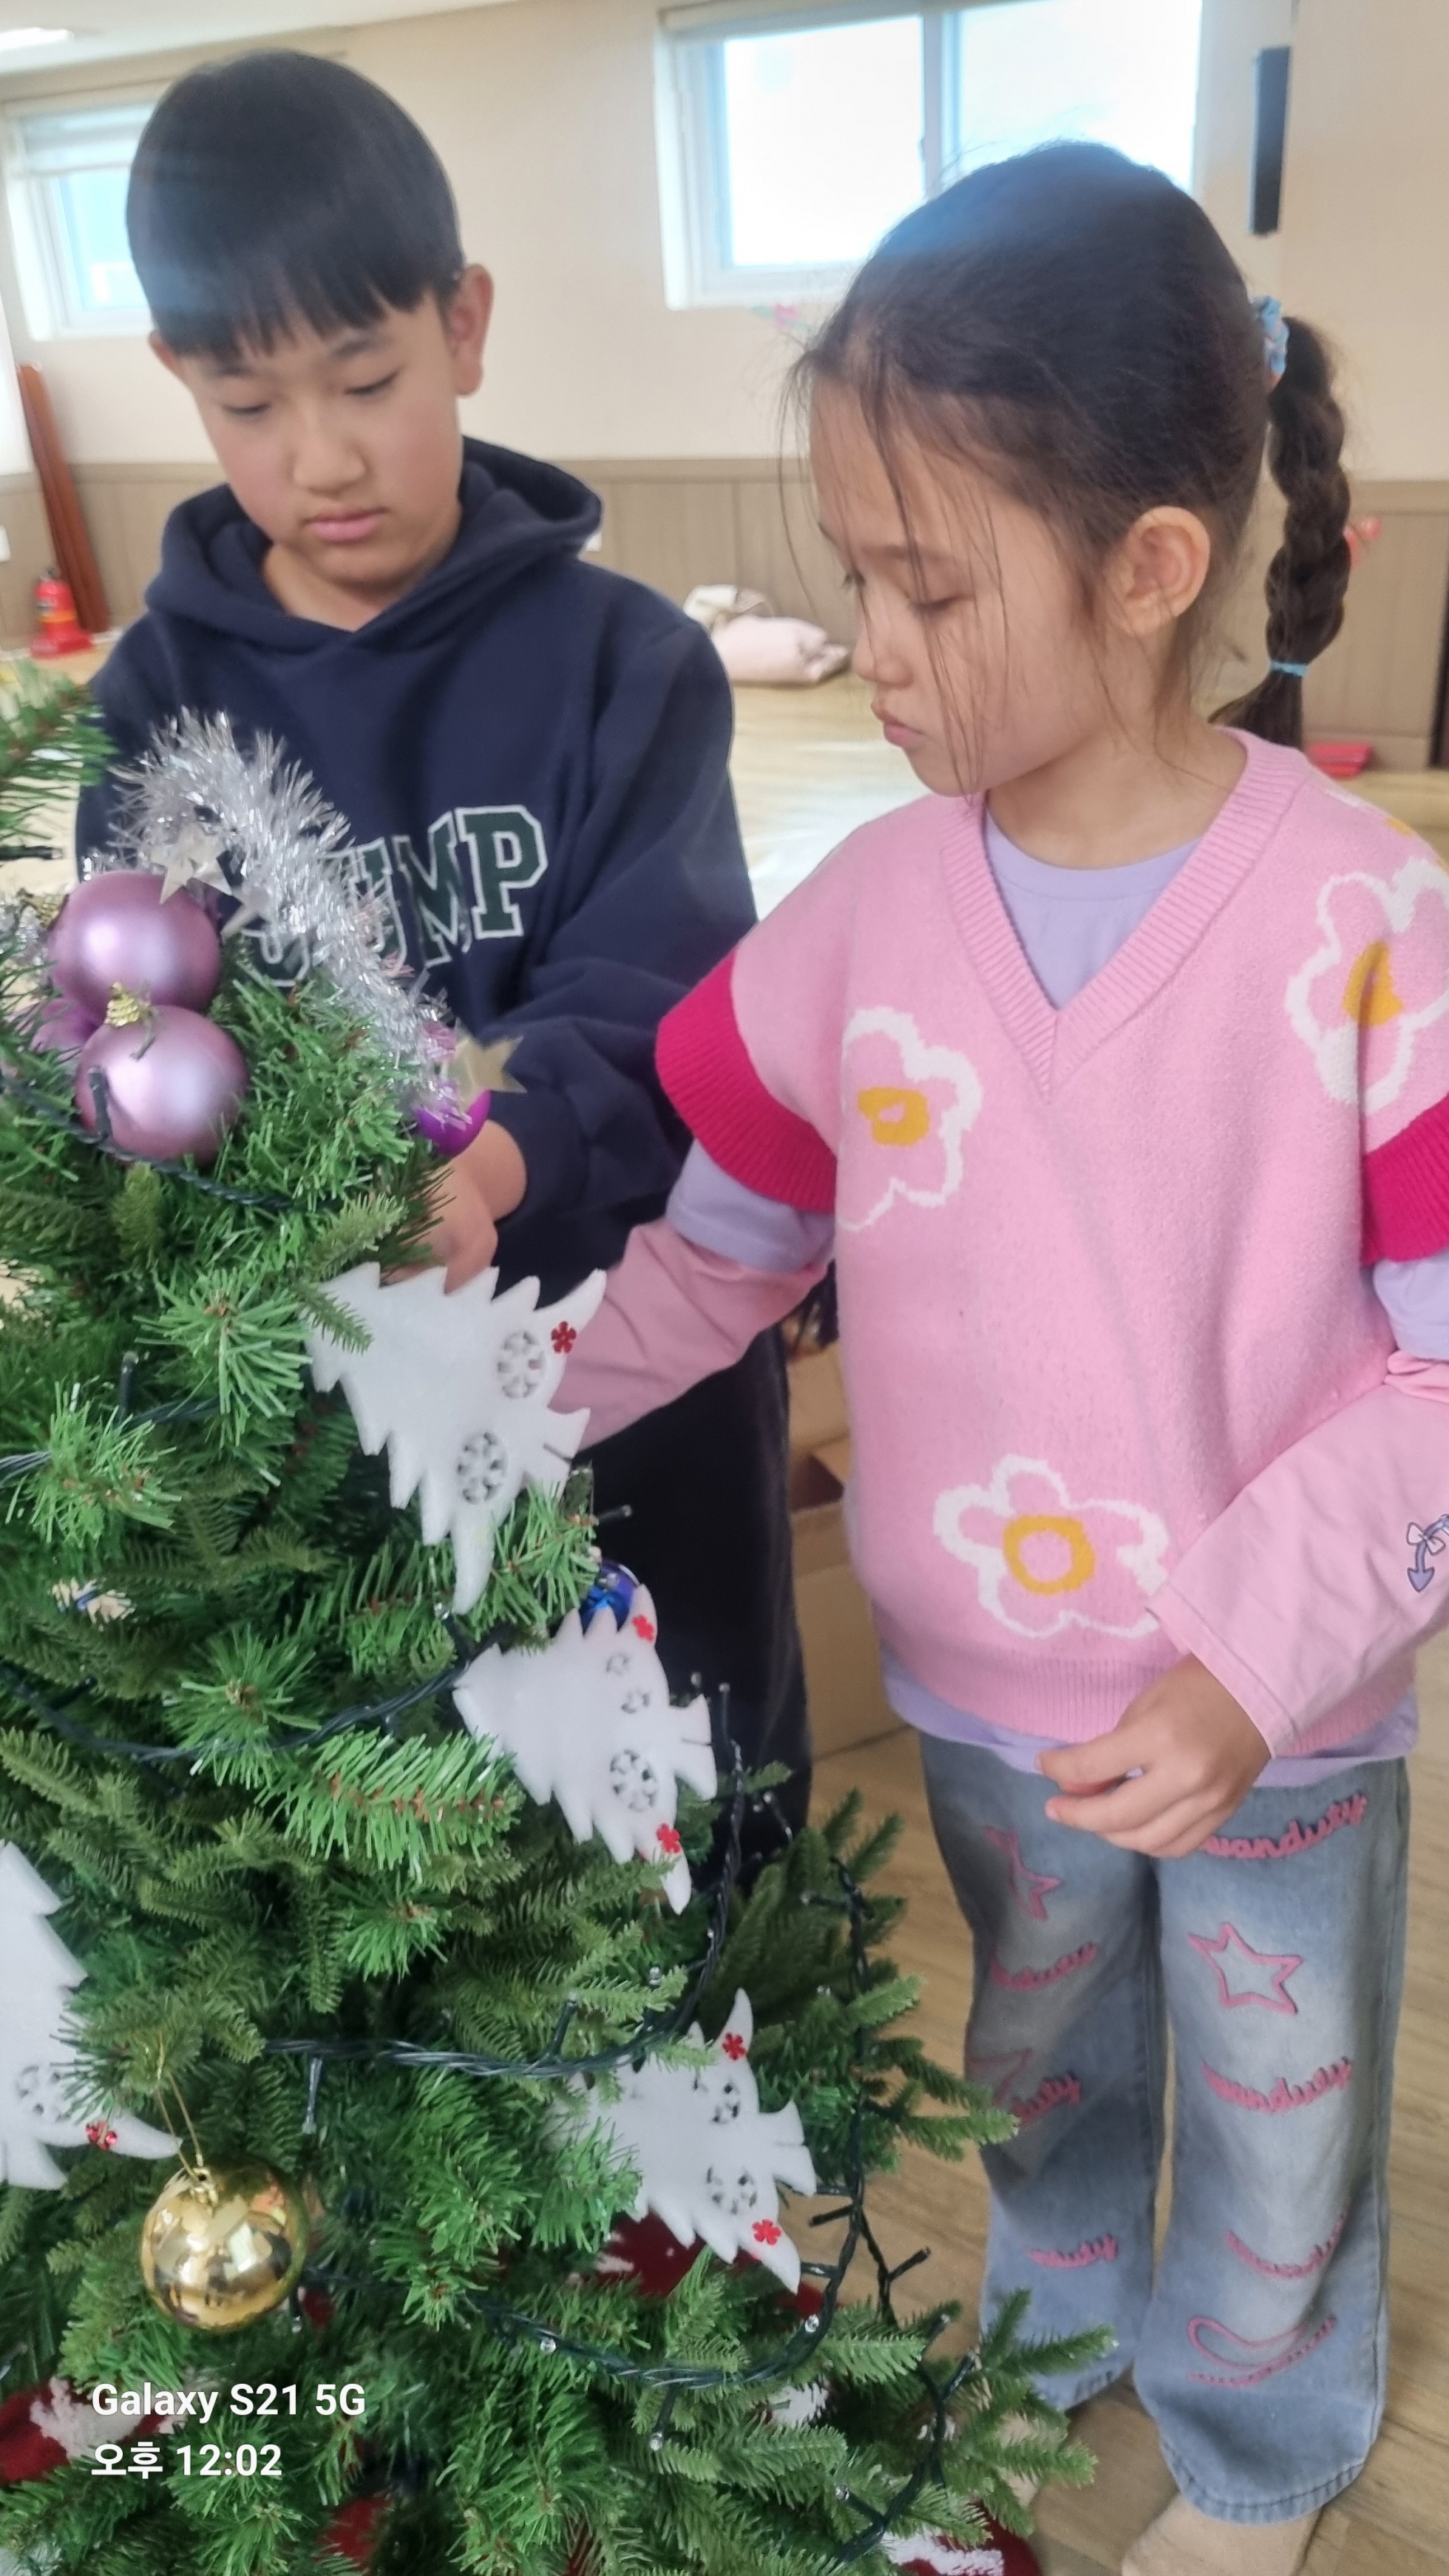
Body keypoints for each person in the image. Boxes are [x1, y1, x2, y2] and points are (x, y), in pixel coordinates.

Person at [561, 146, 1449, 2576]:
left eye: (929, 588)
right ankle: (1041, 2363)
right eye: (855, 577)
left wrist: (1253, 1666)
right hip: (985, 1706)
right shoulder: (857, 922)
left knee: (1278, 2097)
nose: (875, 646)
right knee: (1041, 2066)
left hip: (1280, 1716)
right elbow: (722, 1259)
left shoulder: (1372, 929)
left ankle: (1262, 2447)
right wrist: (504, 1398)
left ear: (1151, 568)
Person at [73, 50, 808, 1854]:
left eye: (366, 378)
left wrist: (500, 1153)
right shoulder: (156, 704)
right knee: (413, 1866)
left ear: (463, 325)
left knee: (701, 1832)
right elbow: (137, 1035)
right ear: (179, 378)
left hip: (635, 1376)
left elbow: (668, 999)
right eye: (248, 402)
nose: (318, 455)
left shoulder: (628, 663)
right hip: (333, 1408)